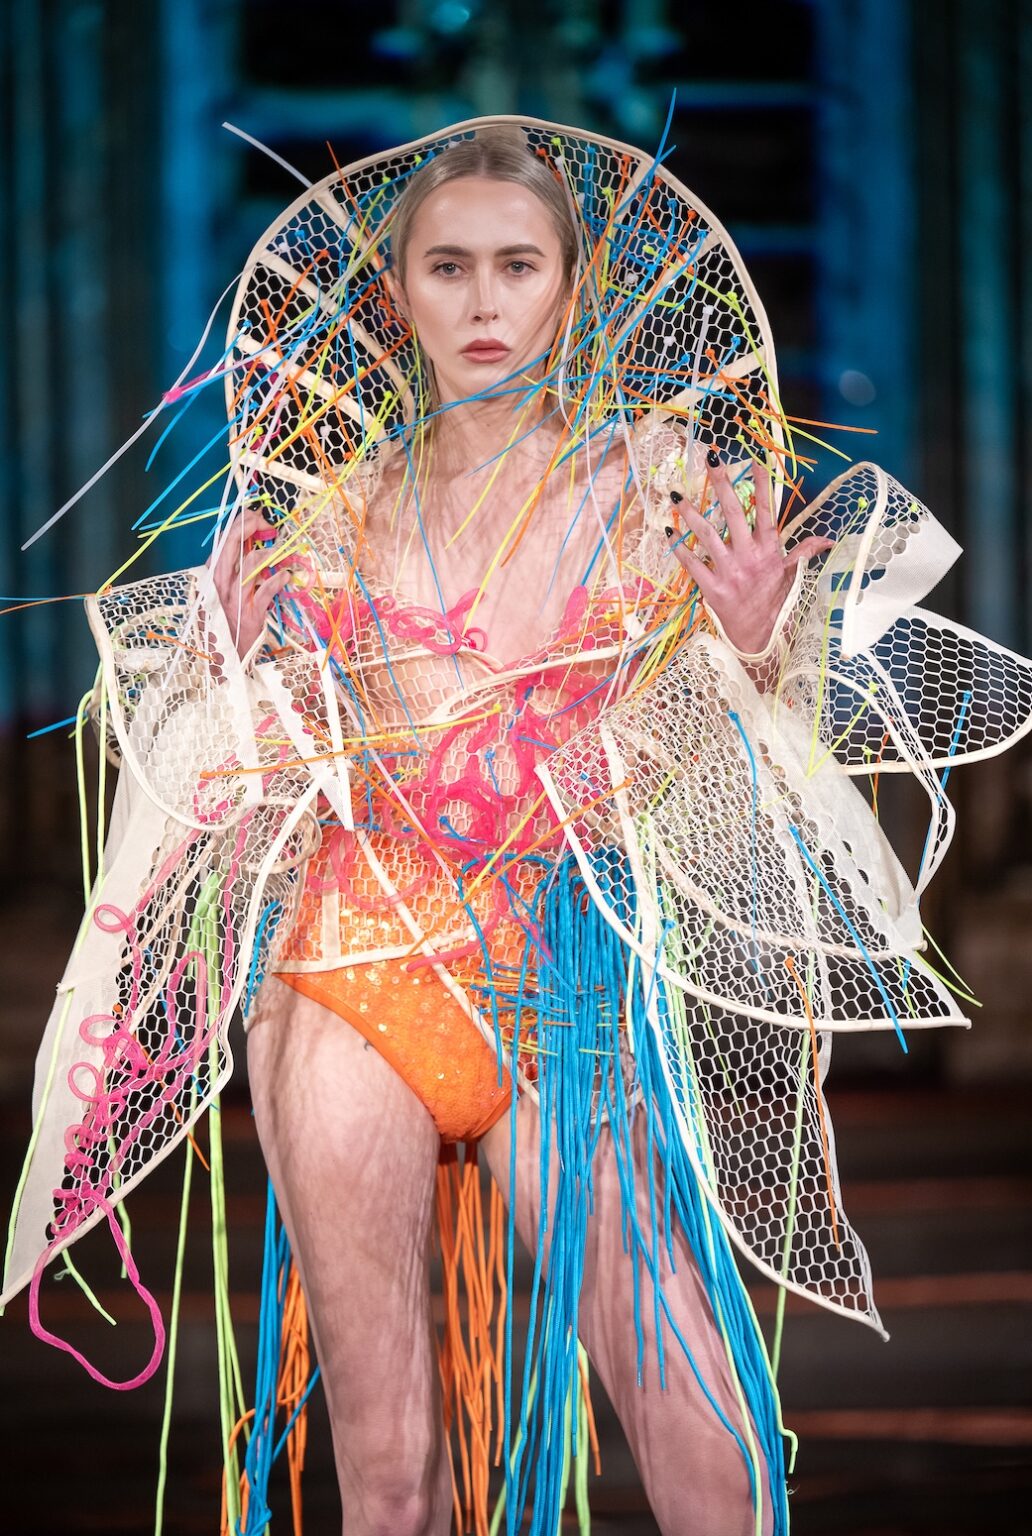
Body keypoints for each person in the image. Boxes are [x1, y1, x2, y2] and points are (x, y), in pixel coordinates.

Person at [6, 118, 1030, 1536]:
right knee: (389, 1467)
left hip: (562, 981)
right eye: (448, 268)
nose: (484, 303)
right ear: (398, 292)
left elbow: (739, 747)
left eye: (516, 266)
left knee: (696, 1416)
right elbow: (229, 781)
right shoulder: (331, 516)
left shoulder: (653, 491)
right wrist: (224, 669)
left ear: (569, 286)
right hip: (358, 967)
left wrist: (750, 644)